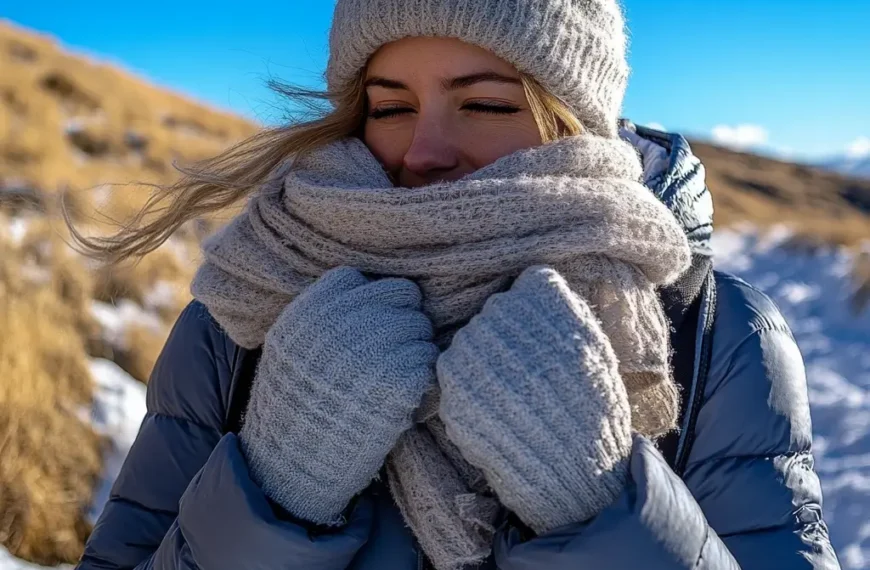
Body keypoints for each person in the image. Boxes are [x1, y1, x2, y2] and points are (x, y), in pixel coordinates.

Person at [74, 1, 840, 569]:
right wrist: (273, 493)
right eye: (391, 106)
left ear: (575, 122)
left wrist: (595, 502)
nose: (425, 150)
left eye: (486, 103)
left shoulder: (711, 332)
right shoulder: (246, 312)